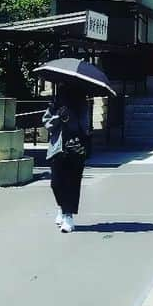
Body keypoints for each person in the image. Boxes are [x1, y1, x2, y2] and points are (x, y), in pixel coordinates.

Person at [44, 85, 92, 233]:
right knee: (56, 183)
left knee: (72, 183)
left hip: (76, 148)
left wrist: (72, 117)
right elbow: (46, 123)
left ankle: (68, 216)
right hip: (57, 148)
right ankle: (62, 206)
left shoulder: (82, 106)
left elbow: (85, 127)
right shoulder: (54, 106)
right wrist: (58, 117)